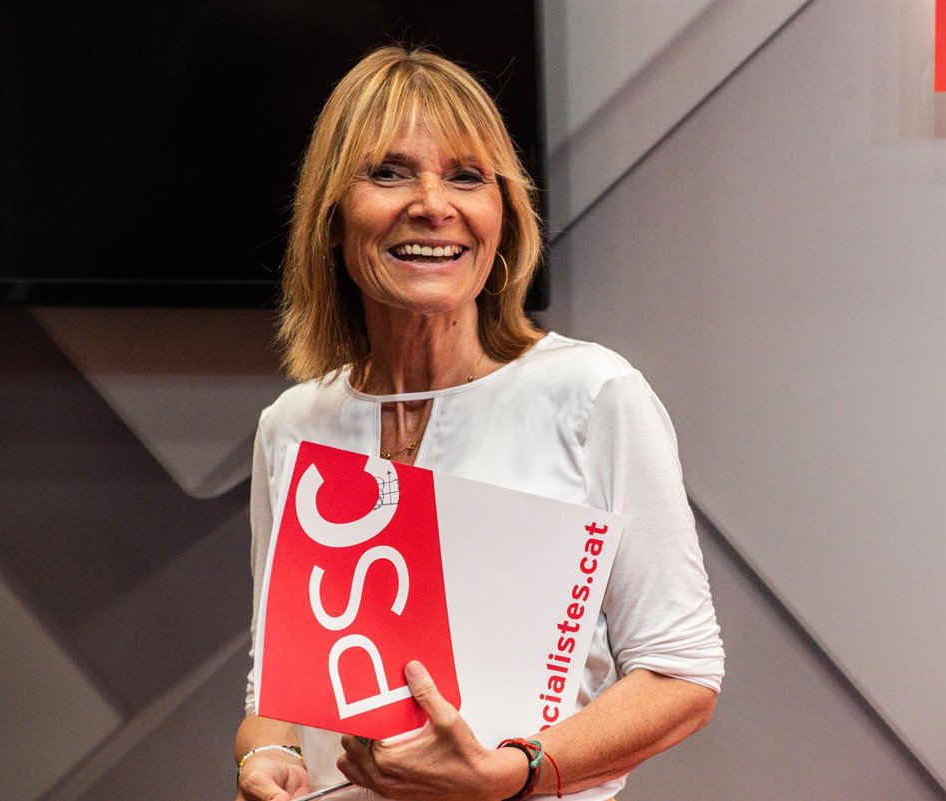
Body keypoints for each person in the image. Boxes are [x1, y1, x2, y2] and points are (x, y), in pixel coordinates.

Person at [235, 46, 724, 801]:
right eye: (389, 173)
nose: (434, 204)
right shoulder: (292, 424)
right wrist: (265, 755)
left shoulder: (593, 396)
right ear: (331, 218)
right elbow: (275, 691)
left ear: (503, 217)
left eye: (467, 176)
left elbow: (681, 674)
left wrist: (513, 771)